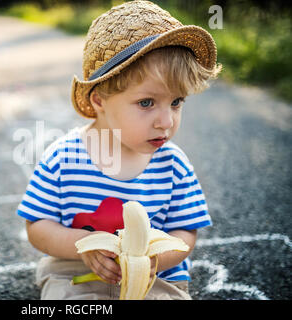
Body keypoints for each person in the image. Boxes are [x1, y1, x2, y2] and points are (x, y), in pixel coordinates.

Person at [16, 0, 221, 300]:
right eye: (147, 103)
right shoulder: (63, 158)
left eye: (176, 102)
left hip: (154, 279)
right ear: (99, 100)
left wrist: (155, 260)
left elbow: (185, 232)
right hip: (74, 274)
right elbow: (37, 225)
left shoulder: (174, 165)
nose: (166, 121)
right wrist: (82, 244)